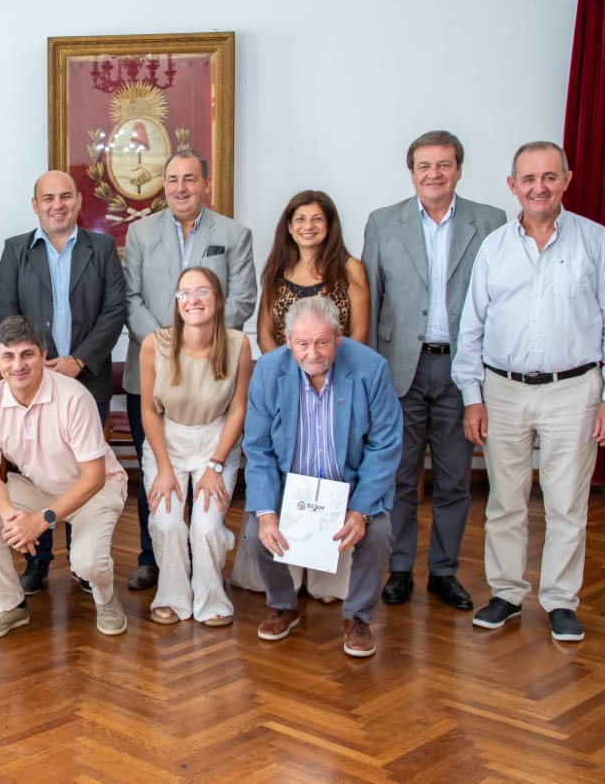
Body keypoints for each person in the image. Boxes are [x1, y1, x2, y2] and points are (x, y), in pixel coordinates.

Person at [453, 141, 605, 643]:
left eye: (549, 177)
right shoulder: (494, 248)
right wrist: (472, 396)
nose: (539, 187)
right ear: (512, 185)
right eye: (529, 179)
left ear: (566, 180)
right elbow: (471, 327)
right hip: (503, 390)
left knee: (566, 503)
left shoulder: (595, 241)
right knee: (504, 501)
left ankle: (560, 600)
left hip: (573, 391)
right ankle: (507, 593)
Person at [362, 130, 506, 611]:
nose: (434, 174)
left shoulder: (490, 222)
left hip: (461, 370)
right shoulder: (383, 223)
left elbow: (497, 303)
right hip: (400, 370)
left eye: (444, 164)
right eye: (424, 166)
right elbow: (371, 301)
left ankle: (444, 571)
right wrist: (371, 379)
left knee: (454, 479)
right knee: (400, 478)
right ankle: (399, 569)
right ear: (411, 173)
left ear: (459, 170)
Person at [121, 149, 256, 591]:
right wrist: (168, 348)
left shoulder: (233, 234)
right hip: (152, 374)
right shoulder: (140, 233)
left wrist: (199, 340)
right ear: (163, 185)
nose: (181, 188)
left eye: (190, 179)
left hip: (213, 376)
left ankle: (203, 560)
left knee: (205, 491)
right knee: (158, 478)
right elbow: (130, 298)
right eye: (173, 179)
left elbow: (242, 299)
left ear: (205, 184)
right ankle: (153, 559)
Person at [242, 297, 402, 657]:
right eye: (302, 343)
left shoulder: (371, 369)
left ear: (339, 336)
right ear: (287, 340)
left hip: (350, 488)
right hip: (290, 486)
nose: (312, 354)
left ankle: (357, 617)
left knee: (378, 533)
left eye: (322, 342)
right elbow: (258, 448)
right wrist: (267, 513)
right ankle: (284, 605)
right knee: (255, 533)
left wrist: (359, 511)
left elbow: (385, 446)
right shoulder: (268, 371)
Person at [0, 169, 126, 595]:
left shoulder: (100, 248)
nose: (57, 205)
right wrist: (33, 368)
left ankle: (82, 563)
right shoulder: (16, 250)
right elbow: (6, 314)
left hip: (86, 381)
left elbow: (115, 311)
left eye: (65, 196)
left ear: (78, 202)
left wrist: (78, 360)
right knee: (35, 473)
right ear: (35, 205)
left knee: (80, 470)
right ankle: (38, 561)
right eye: (48, 198)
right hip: (28, 385)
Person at [0, 316, 128, 639]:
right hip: (39, 488)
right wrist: (11, 517)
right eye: (8, 356)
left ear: (43, 356)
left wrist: (41, 521)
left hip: (94, 490)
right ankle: (11, 606)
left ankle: (107, 597)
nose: (18, 365)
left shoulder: (74, 397)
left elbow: (94, 476)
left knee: (86, 564)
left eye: (27, 354)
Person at [141, 267, 252, 626]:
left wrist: (215, 465)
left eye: (202, 291)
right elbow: (148, 410)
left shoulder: (238, 345)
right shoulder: (154, 344)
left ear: (218, 300)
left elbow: (238, 409)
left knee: (205, 527)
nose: (193, 300)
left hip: (216, 441)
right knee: (167, 523)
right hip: (167, 441)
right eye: (185, 293)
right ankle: (172, 595)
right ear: (177, 302)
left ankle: (211, 596)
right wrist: (164, 468)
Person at [256, 189, 368, 351]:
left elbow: (360, 333)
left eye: (317, 219)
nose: (308, 226)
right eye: (300, 219)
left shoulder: (350, 268)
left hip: (339, 365)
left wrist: (330, 366)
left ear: (329, 225)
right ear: (289, 227)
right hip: (285, 365)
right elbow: (264, 334)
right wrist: (285, 366)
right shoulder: (276, 271)